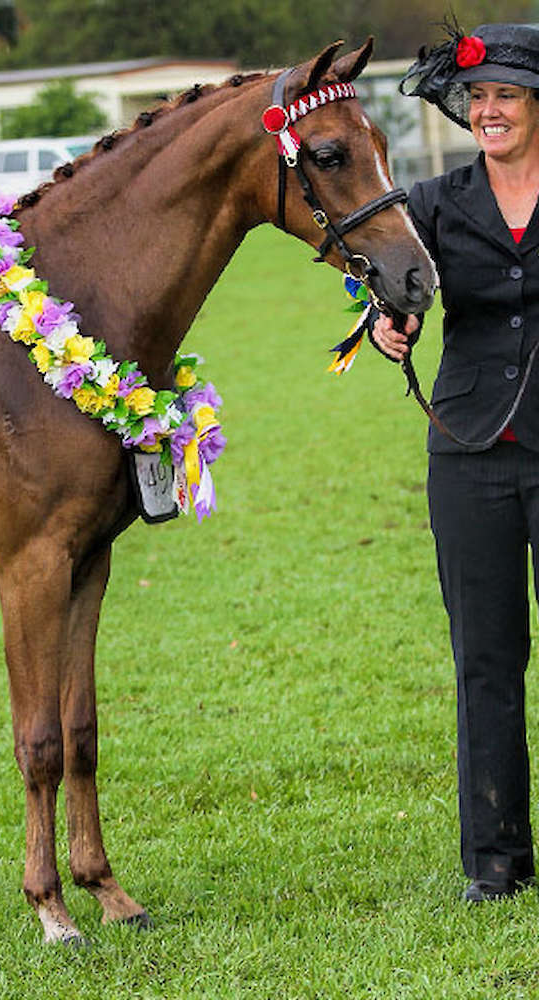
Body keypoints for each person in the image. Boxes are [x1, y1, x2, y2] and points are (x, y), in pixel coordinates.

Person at [373, 22, 539, 902]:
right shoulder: (435, 202)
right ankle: (497, 860)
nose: (489, 110)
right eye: (479, 98)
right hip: (470, 453)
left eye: (506, 94)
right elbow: (394, 289)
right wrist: (387, 323)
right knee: (485, 658)